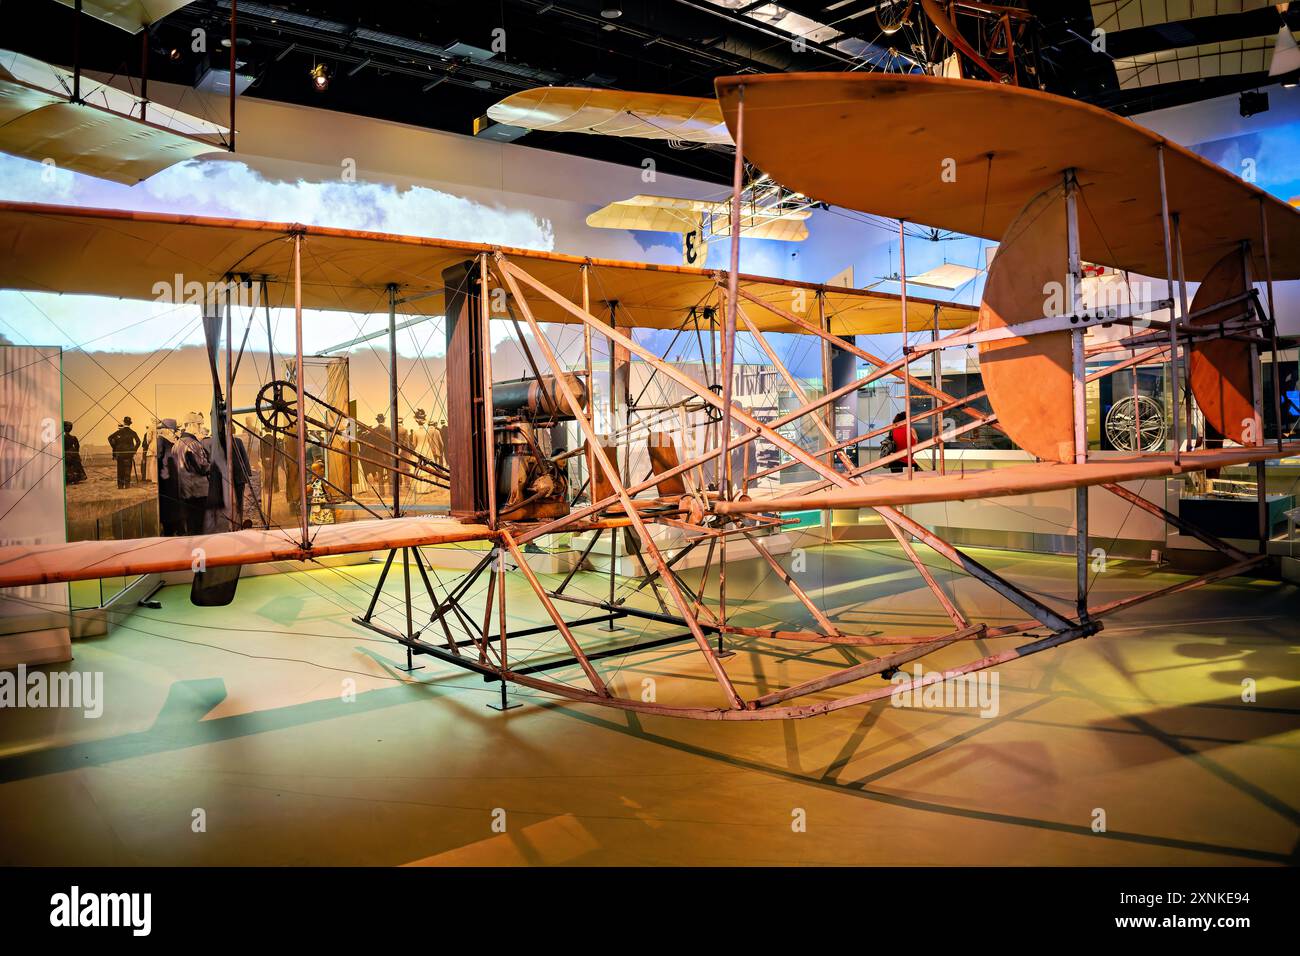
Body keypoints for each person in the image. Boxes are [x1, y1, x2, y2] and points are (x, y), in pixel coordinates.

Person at [169, 421, 210, 534]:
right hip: (197, 490)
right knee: (198, 525)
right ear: (189, 425)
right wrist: (212, 466)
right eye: (198, 424)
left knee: (189, 522)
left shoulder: (176, 444)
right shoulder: (193, 444)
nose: (200, 427)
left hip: (183, 489)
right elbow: (202, 468)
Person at [155, 418, 183, 535]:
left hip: (172, 480)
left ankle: (173, 529)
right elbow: (158, 461)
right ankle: (169, 530)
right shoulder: (161, 441)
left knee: (172, 507)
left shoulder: (170, 442)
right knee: (168, 507)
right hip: (166, 481)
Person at [108, 416, 141, 489]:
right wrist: (134, 450)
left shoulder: (119, 432)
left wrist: (114, 447)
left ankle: (120, 486)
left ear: (124, 422)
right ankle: (127, 485)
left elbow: (109, 438)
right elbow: (138, 442)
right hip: (129, 454)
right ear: (130, 423)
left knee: (120, 470)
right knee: (128, 469)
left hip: (120, 454)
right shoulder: (133, 432)